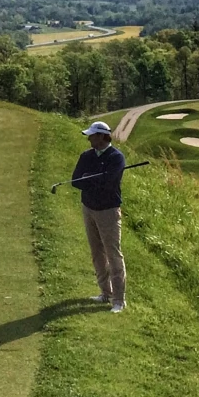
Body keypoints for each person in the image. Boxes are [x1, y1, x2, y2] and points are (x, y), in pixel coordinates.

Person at [71, 121, 127, 313]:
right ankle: (105, 293)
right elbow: (76, 180)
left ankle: (119, 300)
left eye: (92, 136)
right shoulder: (86, 156)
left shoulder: (116, 158)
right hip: (88, 208)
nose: (89, 139)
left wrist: (90, 178)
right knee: (97, 253)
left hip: (108, 211)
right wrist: (94, 178)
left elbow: (109, 183)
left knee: (113, 255)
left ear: (103, 136)